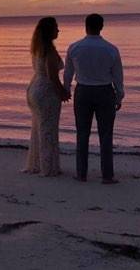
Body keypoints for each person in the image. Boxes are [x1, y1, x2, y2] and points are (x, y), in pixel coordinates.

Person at [63, 13, 124, 184]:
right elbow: (118, 76)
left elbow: (68, 73)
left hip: (83, 92)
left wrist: (66, 89)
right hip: (105, 92)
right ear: (101, 27)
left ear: (86, 26)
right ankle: (107, 175)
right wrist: (119, 95)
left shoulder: (75, 47)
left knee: (82, 134)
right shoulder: (111, 49)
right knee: (106, 135)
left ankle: (81, 173)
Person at [24, 17, 70, 176]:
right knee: (48, 129)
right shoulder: (49, 51)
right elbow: (52, 76)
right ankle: (48, 167)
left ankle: (38, 164)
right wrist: (62, 92)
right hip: (45, 92)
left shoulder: (37, 48)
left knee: (39, 128)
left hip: (34, 89)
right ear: (49, 31)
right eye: (56, 27)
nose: (58, 30)